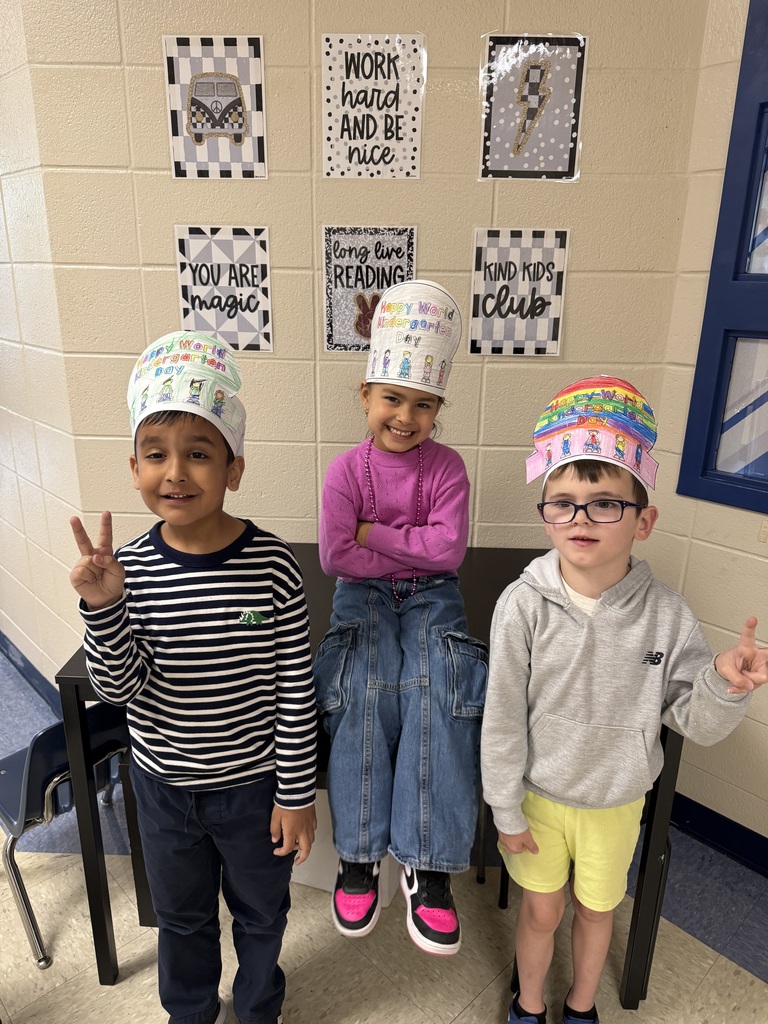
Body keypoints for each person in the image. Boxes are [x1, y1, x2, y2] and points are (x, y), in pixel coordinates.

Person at [481, 375, 768, 1024]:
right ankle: (527, 1004)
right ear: (545, 512)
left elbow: (693, 716)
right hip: (538, 798)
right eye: (563, 502)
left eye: (605, 503)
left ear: (645, 520)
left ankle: (581, 1006)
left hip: (616, 802)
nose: (580, 519)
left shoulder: (666, 616)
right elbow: (500, 720)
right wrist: (505, 808)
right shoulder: (521, 606)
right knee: (541, 909)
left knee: (596, 911)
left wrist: (724, 683)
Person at [68, 331, 317, 1024]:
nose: (175, 472)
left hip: (253, 788)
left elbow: (296, 690)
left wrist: (296, 794)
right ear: (134, 467)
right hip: (163, 788)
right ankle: (190, 1013)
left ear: (233, 470)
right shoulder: (130, 571)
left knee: (262, 914)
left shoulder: (273, 567)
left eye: (198, 455)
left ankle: (258, 1007)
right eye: (157, 455)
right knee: (181, 919)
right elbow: (119, 689)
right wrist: (105, 606)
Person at [314, 280, 488, 956]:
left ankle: (428, 862)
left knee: (435, 691)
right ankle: (358, 855)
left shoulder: (447, 468)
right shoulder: (343, 471)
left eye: (422, 404)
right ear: (366, 397)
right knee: (362, 687)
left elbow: (448, 550)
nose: (405, 416)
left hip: (434, 595)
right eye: (392, 398)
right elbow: (335, 555)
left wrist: (375, 534)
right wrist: (395, 542)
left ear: (437, 407)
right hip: (360, 601)